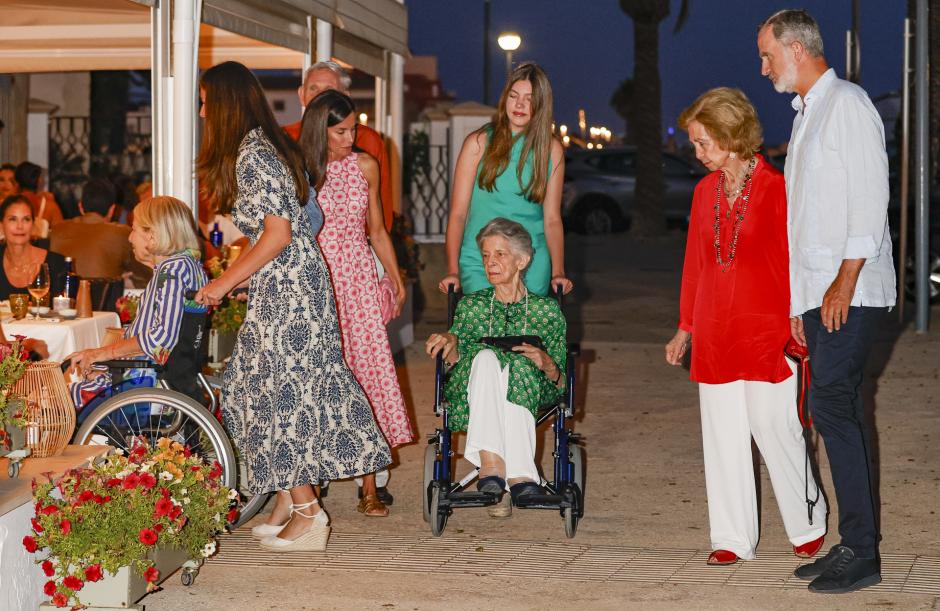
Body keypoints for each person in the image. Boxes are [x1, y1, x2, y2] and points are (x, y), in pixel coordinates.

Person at [194, 61, 391, 552]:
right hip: (292, 282)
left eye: (204, 101)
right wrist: (249, 278)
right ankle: (290, 502)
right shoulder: (266, 144)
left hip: (291, 289)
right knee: (257, 389)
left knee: (277, 395)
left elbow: (278, 234)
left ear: (223, 104)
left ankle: (308, 512)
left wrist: (222, 283)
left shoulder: (253, 152)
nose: (200, 111)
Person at [757, 9, 895, 594]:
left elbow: (870, 200)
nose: (763, 67)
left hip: (850, 293)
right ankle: (851, 544)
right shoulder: (811, 112)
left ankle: (863, 553)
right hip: (820, 293)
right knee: (831, 411)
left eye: (767, 55)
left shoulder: (849, 105)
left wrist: (843, 281)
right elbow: (801, 223)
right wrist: (799, 299)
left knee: (837, 409)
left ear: (795, 49)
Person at [666, 87, 827, 567]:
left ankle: (807, 521)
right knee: (722, 433)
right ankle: (733, 537)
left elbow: (797, 259)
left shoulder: (778, 188)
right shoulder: (703, 193)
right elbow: (695, 264)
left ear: (729, 134)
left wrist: (800, 314)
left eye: (701, 142)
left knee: (774, 426)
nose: (695, 152)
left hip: (768, 327)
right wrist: (684, 328)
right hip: (716, 330)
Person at [299, 90, 413, 516]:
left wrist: (396, 279)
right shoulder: (301, 170)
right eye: (341, 130)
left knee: (366, 371)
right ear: (320, 128)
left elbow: (378, 230)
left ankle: (369, 487)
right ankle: (312, 478)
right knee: (320, 374)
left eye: (353, 129)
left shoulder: (365, 165)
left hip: (358, 275)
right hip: (317, 279)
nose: (350, 137)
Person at [426, 218, 566, 517]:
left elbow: (562, 380)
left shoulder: (547, 311)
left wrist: (548, 363)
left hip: (532, 387)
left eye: (500, 254)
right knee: (485, 359)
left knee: (519, 366)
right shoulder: (472, 306)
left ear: (522, 261)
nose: (490, 263)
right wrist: (450, 341)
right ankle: (493, 465)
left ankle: (518, 474)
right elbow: (454, 361)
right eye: (486, 256)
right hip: (475, 389)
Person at [439, 63, 572, 298]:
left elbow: (552, 219)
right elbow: (458, 213)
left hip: (529, 262)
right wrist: (452, 270)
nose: (519, 104)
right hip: (481, 260)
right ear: (505, 99)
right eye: (514, 96)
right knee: (484, 331)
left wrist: (558, 272)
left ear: (541, 105)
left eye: (529, 99)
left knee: (526, 335)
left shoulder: (551, 150)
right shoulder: (478, 143)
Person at [66, 196, 208, 408]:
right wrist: (104, 363)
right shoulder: (189, 267)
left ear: (152, 236)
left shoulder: (172, 273)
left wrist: (102, 353)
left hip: (148, 388)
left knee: (53, 399)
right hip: (159, 378)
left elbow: (160, 338)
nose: (130, 238)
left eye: (134, 230)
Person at [284, 61, 395, 232]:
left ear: (346, 96)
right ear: (301, 94)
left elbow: (382, 216)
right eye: (314, 88)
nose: (320, 96)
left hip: (353, 251)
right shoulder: (283, 139)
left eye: (329, 89)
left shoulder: (367, 140)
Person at [50, 178, 152, 287]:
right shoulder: (122, 233)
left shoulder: (56, 230)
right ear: (112, 210)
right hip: (105, 301)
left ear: (80, 207)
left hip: (63, 301)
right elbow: (147, 276)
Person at [0, 195, 65, 300]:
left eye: (26, 219)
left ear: (33, 225)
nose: (20, 226)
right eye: (13, 219)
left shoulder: (56, 264)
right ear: (2, 225)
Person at [14, 162, 64, 237]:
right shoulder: (50, 205)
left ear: (16, 181)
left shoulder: (7, 204)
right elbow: (62, 235)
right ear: (39, 180)